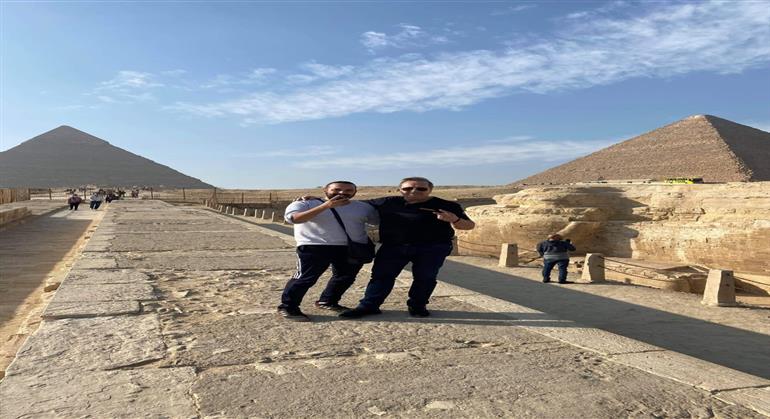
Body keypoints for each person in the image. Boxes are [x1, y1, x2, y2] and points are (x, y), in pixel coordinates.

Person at [340, 177, 475, 319]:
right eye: (408, 188)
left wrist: (454, 219)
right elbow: (351, 204)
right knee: (381, 276)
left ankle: (417, 306)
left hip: (432, 248)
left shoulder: (447, 205)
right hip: (393, 247)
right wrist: (322, 202)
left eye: (421, 188)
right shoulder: (387, 202)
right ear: (400, 190)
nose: (414, 191)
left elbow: (469, 226)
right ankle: (369, 306)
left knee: (425, 278)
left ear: (430, 190)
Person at [277, 181, 379, 322]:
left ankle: (328, 301)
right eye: (336, 189)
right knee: (305, 278)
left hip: (351, 248)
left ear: (355, 192)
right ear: (325, 190)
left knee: (345, 277)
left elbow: (376, 221)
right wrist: (326, 206)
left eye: (348, 190)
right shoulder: (305, 203)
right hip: (315, 246)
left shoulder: (363, 207)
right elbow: (295, 219)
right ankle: (288, 306)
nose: (342, 193)